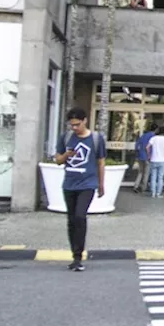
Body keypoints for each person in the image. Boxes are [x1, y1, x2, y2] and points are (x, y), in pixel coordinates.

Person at [52, 108, 105, 271]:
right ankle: (74, 255)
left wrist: (101, 184)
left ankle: (78, 255)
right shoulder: (66, 137)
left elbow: (101, 162)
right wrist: (67, 155)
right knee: (71, 220)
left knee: (80, 216)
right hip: (69, 183)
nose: (74, 128)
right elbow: (58, 160)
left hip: (87, 184)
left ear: (85, 121)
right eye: (71, 125)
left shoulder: (96, 139)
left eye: (77, 124)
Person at [147, 123, 164, 198]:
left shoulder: (153, 138)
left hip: (153, 160)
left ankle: (153, 193)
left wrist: (149, 156)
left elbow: (147, 147)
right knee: (160, 177)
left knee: (153, 177)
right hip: (162, 160)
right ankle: (158, 193)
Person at [133, 124, 154, 193]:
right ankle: (143, 188)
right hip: (148, 157)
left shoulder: (143, 136)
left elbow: (137, 145)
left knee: (140, 172)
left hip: (140, 156)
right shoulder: (153, 137)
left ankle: (136, 186)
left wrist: (137, 154)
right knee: (146, 173)